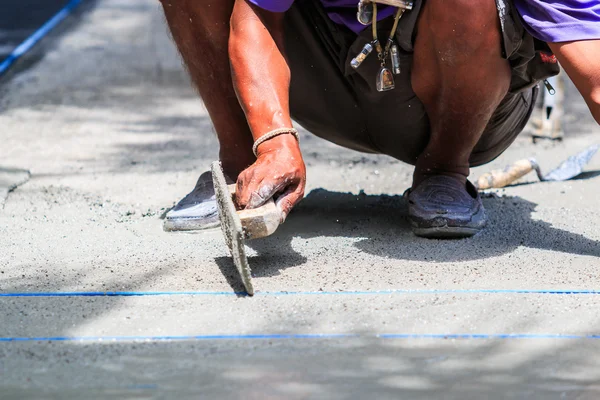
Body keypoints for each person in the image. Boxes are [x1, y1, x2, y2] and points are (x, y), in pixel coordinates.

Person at [159, 0, 598, 238]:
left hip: (469, 104)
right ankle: (245, 168)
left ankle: (444, 170)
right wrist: (273, 140)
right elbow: (257, 18)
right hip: (330, 79)